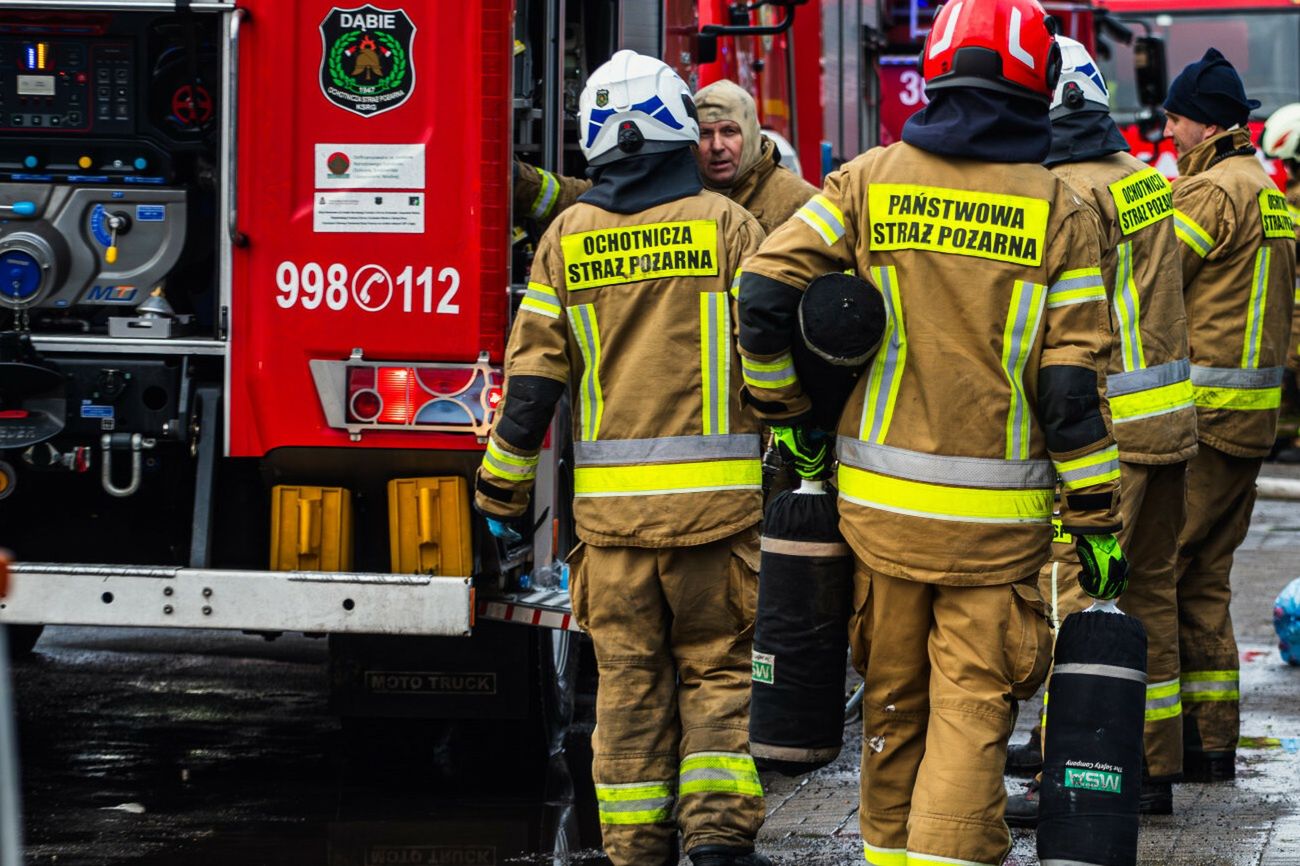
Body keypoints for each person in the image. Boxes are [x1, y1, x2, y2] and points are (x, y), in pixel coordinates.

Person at [734, 1, 1121, 862]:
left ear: (939, 70)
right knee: (973, 708)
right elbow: (1068, 393)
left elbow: (760, 294)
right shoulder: (1058, 208)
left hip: (878, 516)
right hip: (996, 527)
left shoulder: (868, 180)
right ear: (1033, 84)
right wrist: (1097, 521)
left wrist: (789, 418)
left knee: (893, 702)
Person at [474, 50, 770, 866]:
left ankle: (637, 848)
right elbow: (768, 352)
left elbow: (531, 380)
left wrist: (500, 489)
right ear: (678, 127)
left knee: (630, 687)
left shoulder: (567, 239)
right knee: (716, 674)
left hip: (612, 534)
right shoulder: (727, 226)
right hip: (717, 519)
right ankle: (715, 841)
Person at [1003, 36, 1196, 823]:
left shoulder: (1062, 193)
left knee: (1073, 600)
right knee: (1149, 595)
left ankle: (1068, 771)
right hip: (1168, 424)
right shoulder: (1148, 182)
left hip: (1107, 432)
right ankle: (1150, 769)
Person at [1163, 48, 1296, 782]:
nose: (1171, 133)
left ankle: (1155, 750)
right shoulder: (1268, 190)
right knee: (1205, 582)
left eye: (1177, 119)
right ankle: (1211, 743)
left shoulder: (1211, 193)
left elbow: (1153, 285)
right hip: (1249, 426)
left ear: (1207, 123)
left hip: (1203, 420)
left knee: (1159, 574)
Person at [694, 79, 818, 234]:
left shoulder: (802, 201)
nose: (717, 146)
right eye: (705, 134)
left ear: (751, 135)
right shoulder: (680, 202)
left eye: (729, 131)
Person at [1258, 103, 1300, 461]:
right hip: (1289, 307)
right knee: (1286, 370)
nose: (1285, 171)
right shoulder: (1287, 200)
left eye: (1290, 164)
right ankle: (1285, 436)